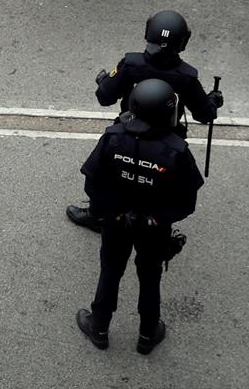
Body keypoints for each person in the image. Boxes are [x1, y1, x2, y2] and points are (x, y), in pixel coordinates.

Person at [73, 79, 204, 357]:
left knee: (110, 271)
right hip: (153, 228)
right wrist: (157, 218)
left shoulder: (113, 137)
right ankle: (147, 334)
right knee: (149, 277)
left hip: (116, 222)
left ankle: (99, 327)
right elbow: (186, 201)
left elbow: (93, 184)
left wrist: (112, 212)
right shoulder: (176, 150)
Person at [66, 10, 222, 231]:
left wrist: (105, 81)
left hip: (127, 131)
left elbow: (104, 97)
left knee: (108, 173)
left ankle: (97, 214)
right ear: (183, 42)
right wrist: (213, 101)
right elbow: (204, 114)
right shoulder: (186, 77)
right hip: (167, 140)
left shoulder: (131, 65)